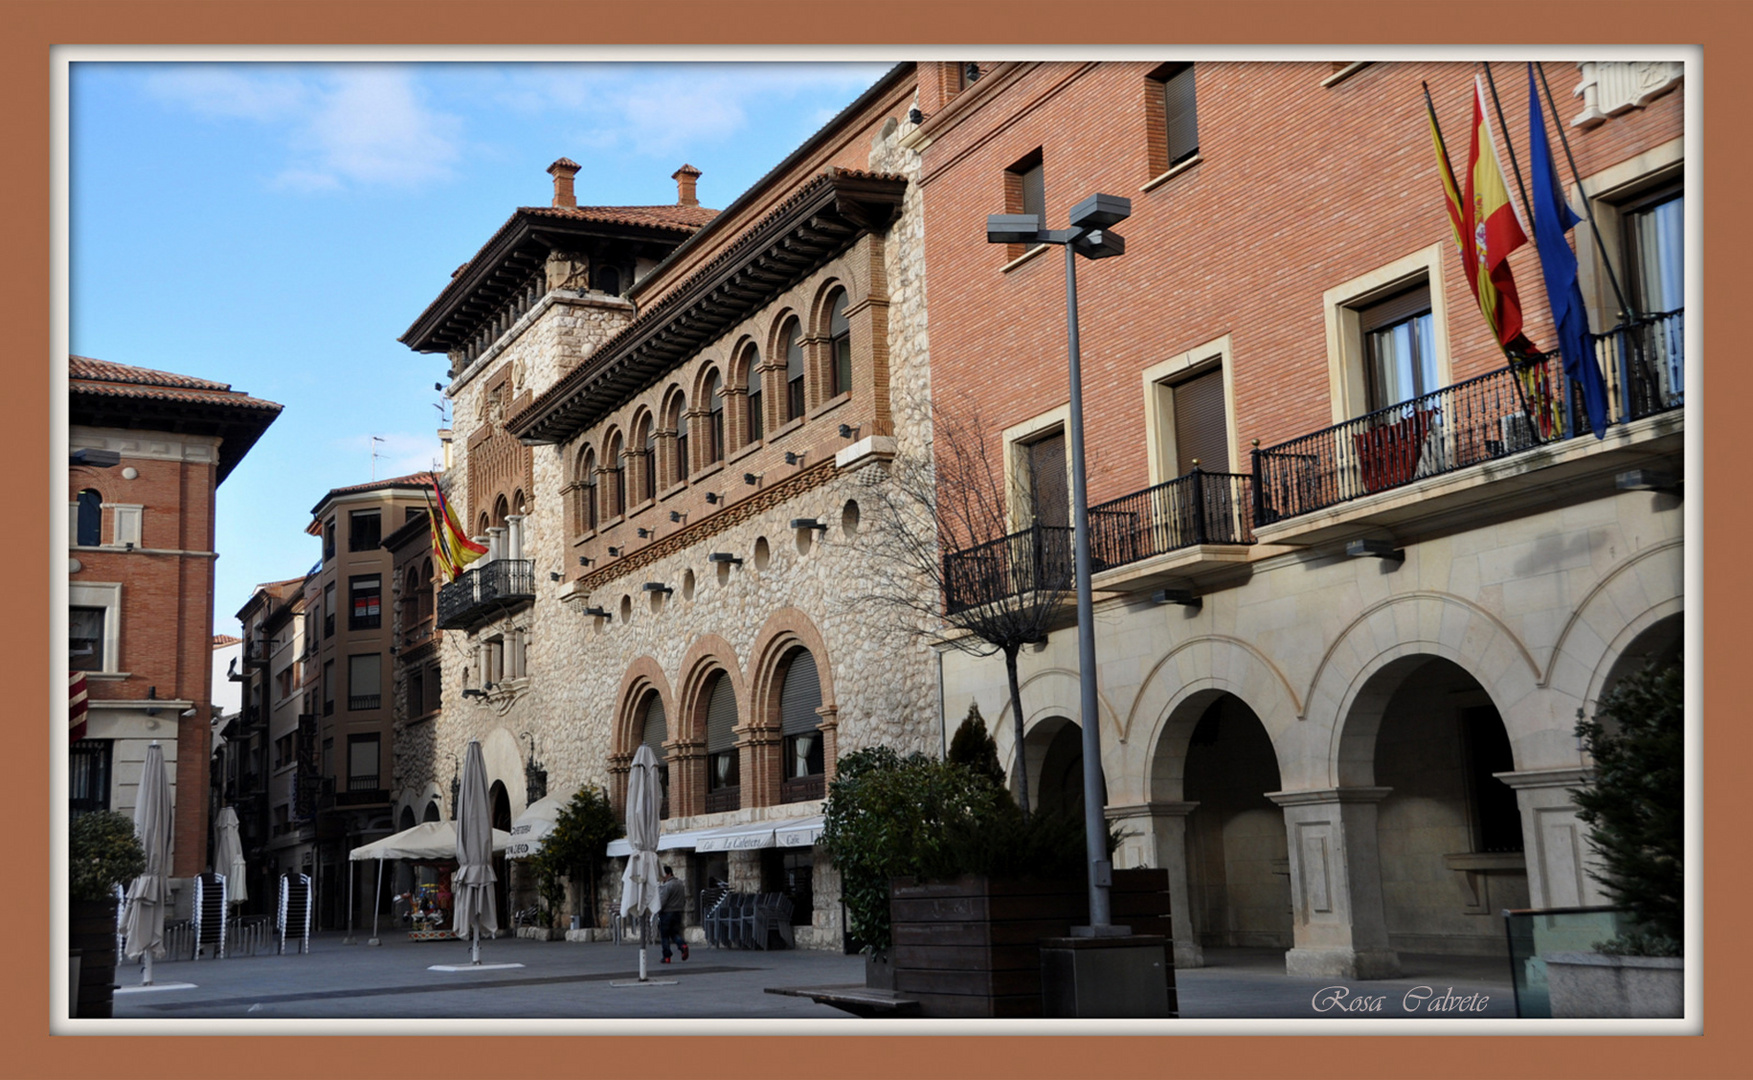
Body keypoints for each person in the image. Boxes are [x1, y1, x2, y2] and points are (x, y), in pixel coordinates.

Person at [657, 865, 688, 963]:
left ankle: (666, 956)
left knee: (665, 935)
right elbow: (684, 898)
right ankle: (682, 945)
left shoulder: (667, 886)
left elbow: (662, 900)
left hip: (667, 913)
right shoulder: (680, 884)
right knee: (674, 933)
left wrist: (658, 910)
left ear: (669, 874)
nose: (662, 877)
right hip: (678, 912)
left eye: (663, 875)